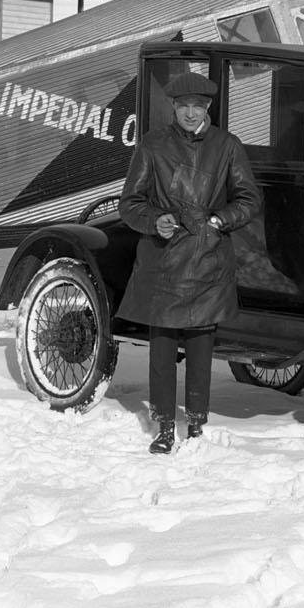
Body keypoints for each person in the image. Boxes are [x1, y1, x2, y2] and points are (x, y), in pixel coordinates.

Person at [116, 70, 262, 454]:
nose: (191, 113)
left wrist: (218, 221)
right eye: (184, 106)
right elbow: (129, 203)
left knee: (200, 349)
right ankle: (164, 425)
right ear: (174, 107)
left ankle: (196, 424)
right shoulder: (152, 145)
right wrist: (154, 221)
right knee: (161, 350)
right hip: (162, 261)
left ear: (209, 107)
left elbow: (249, 200)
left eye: (198, 106)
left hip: (207, 258)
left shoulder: (227, 146)